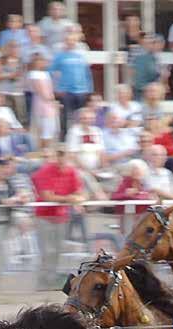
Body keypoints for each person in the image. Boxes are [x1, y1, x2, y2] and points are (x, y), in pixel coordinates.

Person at [32, 144, 84, 288]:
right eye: (60, 154)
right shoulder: (45, 171)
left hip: (61, 216)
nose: (62, 158)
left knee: (58, 250)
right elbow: (47, 196)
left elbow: (79, 193)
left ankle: (51, 279)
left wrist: (74, 199)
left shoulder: (72, 171)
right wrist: (70, 199)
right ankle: (43, 282)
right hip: (44, 216)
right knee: (47, 250)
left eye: (65, 154)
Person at [51, 31, 93, 136]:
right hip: (66, 91)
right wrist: (56, 88)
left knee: (81, 115)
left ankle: (80, 135)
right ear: (65, 42)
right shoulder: (60, 56)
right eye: (68, 40)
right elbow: (51, 72)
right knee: (65, 116)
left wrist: (89, 88)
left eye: (73, 40)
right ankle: (64, 137)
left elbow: (87, 73)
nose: (71, 42)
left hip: (81, 91)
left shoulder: (81, 56)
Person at [0, 40, 26, 124]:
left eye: (16, 47)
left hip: (18, 93)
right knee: (5, 120)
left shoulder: (21, 61)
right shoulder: (0, 61)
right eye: (11, 47)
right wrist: (9, 76)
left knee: (20, 120)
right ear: (7, 48)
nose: (14, 49)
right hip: (3, 93)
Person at [27, 54, 58, 146]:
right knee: (44, 129)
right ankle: (43, 149)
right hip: (42, 104)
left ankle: (48, 148)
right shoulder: (33, 74)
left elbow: (51, 89)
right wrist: (50, 99)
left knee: (51, 129)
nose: (42, 62)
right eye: (39, 60)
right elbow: (40, 91)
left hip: (49, 104)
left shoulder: (46, 74)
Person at [65, 106, 105, 172]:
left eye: (91, 118)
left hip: (96, 169)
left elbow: (101, 152)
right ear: (79, 119)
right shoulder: (74, 131)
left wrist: (103, 168)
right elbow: (72, 155)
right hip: (79, 169)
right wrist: (87, 171)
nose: (87, 121)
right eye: (84, 118)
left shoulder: (97, 131)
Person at [132, 34, 164, 100]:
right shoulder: (141, 58)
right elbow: (140, 80)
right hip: (143, 94)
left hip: (154, 93)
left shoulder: (156, 58)